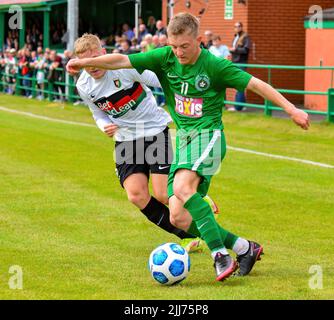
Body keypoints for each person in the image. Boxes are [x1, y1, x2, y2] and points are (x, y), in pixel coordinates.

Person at [67, 14, 309, 281]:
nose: (178, 52)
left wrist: (291, 109)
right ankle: (244, 248)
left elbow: (256, 84)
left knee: (181, 189)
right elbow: (121, 59)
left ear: (198, 41)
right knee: (178, 218)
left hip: (208, 136)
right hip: (182, 141)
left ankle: (219, 254)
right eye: (173, 46)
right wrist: (84, 63)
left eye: (184, 46)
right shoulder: (165, 58)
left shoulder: (215, 66)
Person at [68, 33, 219, 254]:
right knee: (136, 195)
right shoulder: (84, 85)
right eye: (85, 63)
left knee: (161, 195)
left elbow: (159, 79)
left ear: (103, 53)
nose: (91, 67)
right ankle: (186, 236)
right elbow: (97, 113)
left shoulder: (123, 67)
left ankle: (196, 198)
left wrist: (187, 93)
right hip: (125, 140)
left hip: (153, 131)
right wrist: (103, 126)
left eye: (94, 59)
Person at [229, 22, 251, 111]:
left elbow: (246, 50)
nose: (236, 28)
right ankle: (242, 105)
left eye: (238, 26)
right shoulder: (236, 36)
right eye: (235, 26)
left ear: (241, 27)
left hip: (241, 62)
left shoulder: (246, 37)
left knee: (239, 84)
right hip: (235, 62)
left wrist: (235, 49)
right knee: (239, 84)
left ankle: (238, 107)